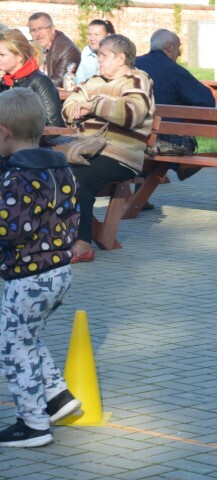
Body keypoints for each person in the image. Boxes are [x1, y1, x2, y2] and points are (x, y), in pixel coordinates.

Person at [0, 88, 82, 448]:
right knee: (26, 336)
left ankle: (33, 424)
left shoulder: (17, 177)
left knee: (13, 348)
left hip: (28, 277)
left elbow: (10, 229)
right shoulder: (60, 168)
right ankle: (57, 397)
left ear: (4, 132)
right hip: (58, 272)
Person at [62, 34, 154, 263]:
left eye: (103, 55)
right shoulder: (93, 81)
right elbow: (67, 108)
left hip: (121, 154)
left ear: (121, 58)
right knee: (47, 172)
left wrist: (92, 106)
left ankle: (83, 244)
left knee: (78, 178)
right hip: (86, 149)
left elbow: (130, 113)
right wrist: (80, 108)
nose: (98, 60)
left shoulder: (137, 81)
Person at [135, 29, 214, 209]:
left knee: (150, 137)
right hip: (161, 141)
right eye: (179, 48)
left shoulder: (133, 65)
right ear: (169, 47)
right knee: (175, 141)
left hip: (130, 136)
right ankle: (180, 168)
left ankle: (138, 199)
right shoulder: (173, 70)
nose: (179, 53)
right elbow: (206, 100)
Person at [0, 29, 63, 128]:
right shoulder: (4, 82)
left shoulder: (40, 81)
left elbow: (54, 126)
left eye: (2, 55)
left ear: (19, 57)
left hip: (33, 137)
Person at [28, 12, 81, 87]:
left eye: (41, 29)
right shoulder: (30, 48)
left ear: (52, 29)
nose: (37, 34)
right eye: (33, 30)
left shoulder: (67, 50)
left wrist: (29, 84)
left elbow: (59, 81)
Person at [76, 19, 115, 83]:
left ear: (108, 36)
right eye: (89, 34)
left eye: (96, 34)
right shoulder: (87, 51)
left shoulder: (115, 54)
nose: (92, 38)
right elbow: (80, 80)